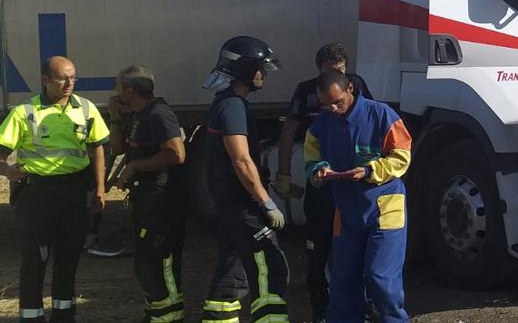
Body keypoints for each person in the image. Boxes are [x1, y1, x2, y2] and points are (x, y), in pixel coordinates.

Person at [0, 56, 110, 322]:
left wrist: (100, 188)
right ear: (45, 80)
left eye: (73, 77)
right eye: (62, 78)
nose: (69, 83)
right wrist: (7, 170)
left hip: (73, 192)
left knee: (69, 257)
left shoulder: (85, 109)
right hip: (37, 195)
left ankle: (64, 314)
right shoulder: (24, 112)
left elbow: (97, 149)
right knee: (35, 260)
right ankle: (32, 316)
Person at [274, 43, 373, 322]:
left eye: (340, 70)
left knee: (357, 248)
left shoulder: (357, 85)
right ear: (319, 69)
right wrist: (283, 175)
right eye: (330, 70)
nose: (336, 76)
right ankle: (320, 307)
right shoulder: (306, 91)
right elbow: (288, 131)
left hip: (353, 184)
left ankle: (362, 307)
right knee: (317, 249)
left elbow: (372, 123)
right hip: (321, 184)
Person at [305, 69, 412, 323]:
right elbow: (311, 152)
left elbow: (402, 157)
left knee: (380, 278)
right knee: (343, 280)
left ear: (350, 89)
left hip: (385, 210)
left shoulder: (382, 114)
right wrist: (316, 170)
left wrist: (368, 170)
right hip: (347, 211)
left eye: (337, 102)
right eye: (325, 104)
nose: (332, 108)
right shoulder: (322, 123)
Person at [201, 36, 291, 323]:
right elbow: (241, 160)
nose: (264, 74)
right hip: (243, 206)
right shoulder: (233, 107)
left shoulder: (226, 103)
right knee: (269, 268)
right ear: (246, 70)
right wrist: (265, 203)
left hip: (230, 205)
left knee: (232, 270)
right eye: (260, 68)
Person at [109, 65, 187, 323]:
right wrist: (115, 117)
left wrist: (135, 166)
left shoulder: (158, 114)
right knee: (145, 263)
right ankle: (156, 314)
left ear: (129, 90)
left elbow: (176, 154)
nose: (116, 92)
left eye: (119, 88)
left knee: (158, 261)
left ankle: (169, 318)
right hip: (145, 201)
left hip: (161, 201)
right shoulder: (136, 115)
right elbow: (118, 147)